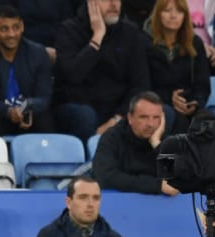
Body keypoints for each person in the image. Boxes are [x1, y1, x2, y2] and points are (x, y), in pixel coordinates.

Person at [53, 0, 151, 142]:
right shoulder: (69, 30)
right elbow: (73, 76)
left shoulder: (131, 33)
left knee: (159, 112)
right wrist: (97, 37)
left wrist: (117, 118)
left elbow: (140, 84)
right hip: (79, 107)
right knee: (85, 115)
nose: (113, 4)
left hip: (118, 111)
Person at [0, 5, 55, 135]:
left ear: (22, 27)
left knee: (44, 120)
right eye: (4, 29)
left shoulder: (38, 53)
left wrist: (28, 107)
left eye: (16, 27)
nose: (11, 34)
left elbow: (44, 96)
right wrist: (7, 112)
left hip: (29, 113)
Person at [92, 92, 180, 196]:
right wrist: (157, 185)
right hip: (120, 203)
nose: (150, 124)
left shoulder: (164, 139)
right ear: (130, 118)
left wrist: (156, 144)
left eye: (156, 117)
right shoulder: (112, 138)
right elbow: (105, 176)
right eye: (143, 117)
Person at [144, 0, 210, 134]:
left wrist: (195, 103)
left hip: (189, 106)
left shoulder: (195, 43)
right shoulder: (144, 43)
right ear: (158, 14)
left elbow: (202, 85)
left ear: (185, 16)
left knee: (209, 122)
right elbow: (142, 85)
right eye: (167, 11)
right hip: (158, 106)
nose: (173, 16)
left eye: (179, 11)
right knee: (176, 121)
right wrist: (169, 98)